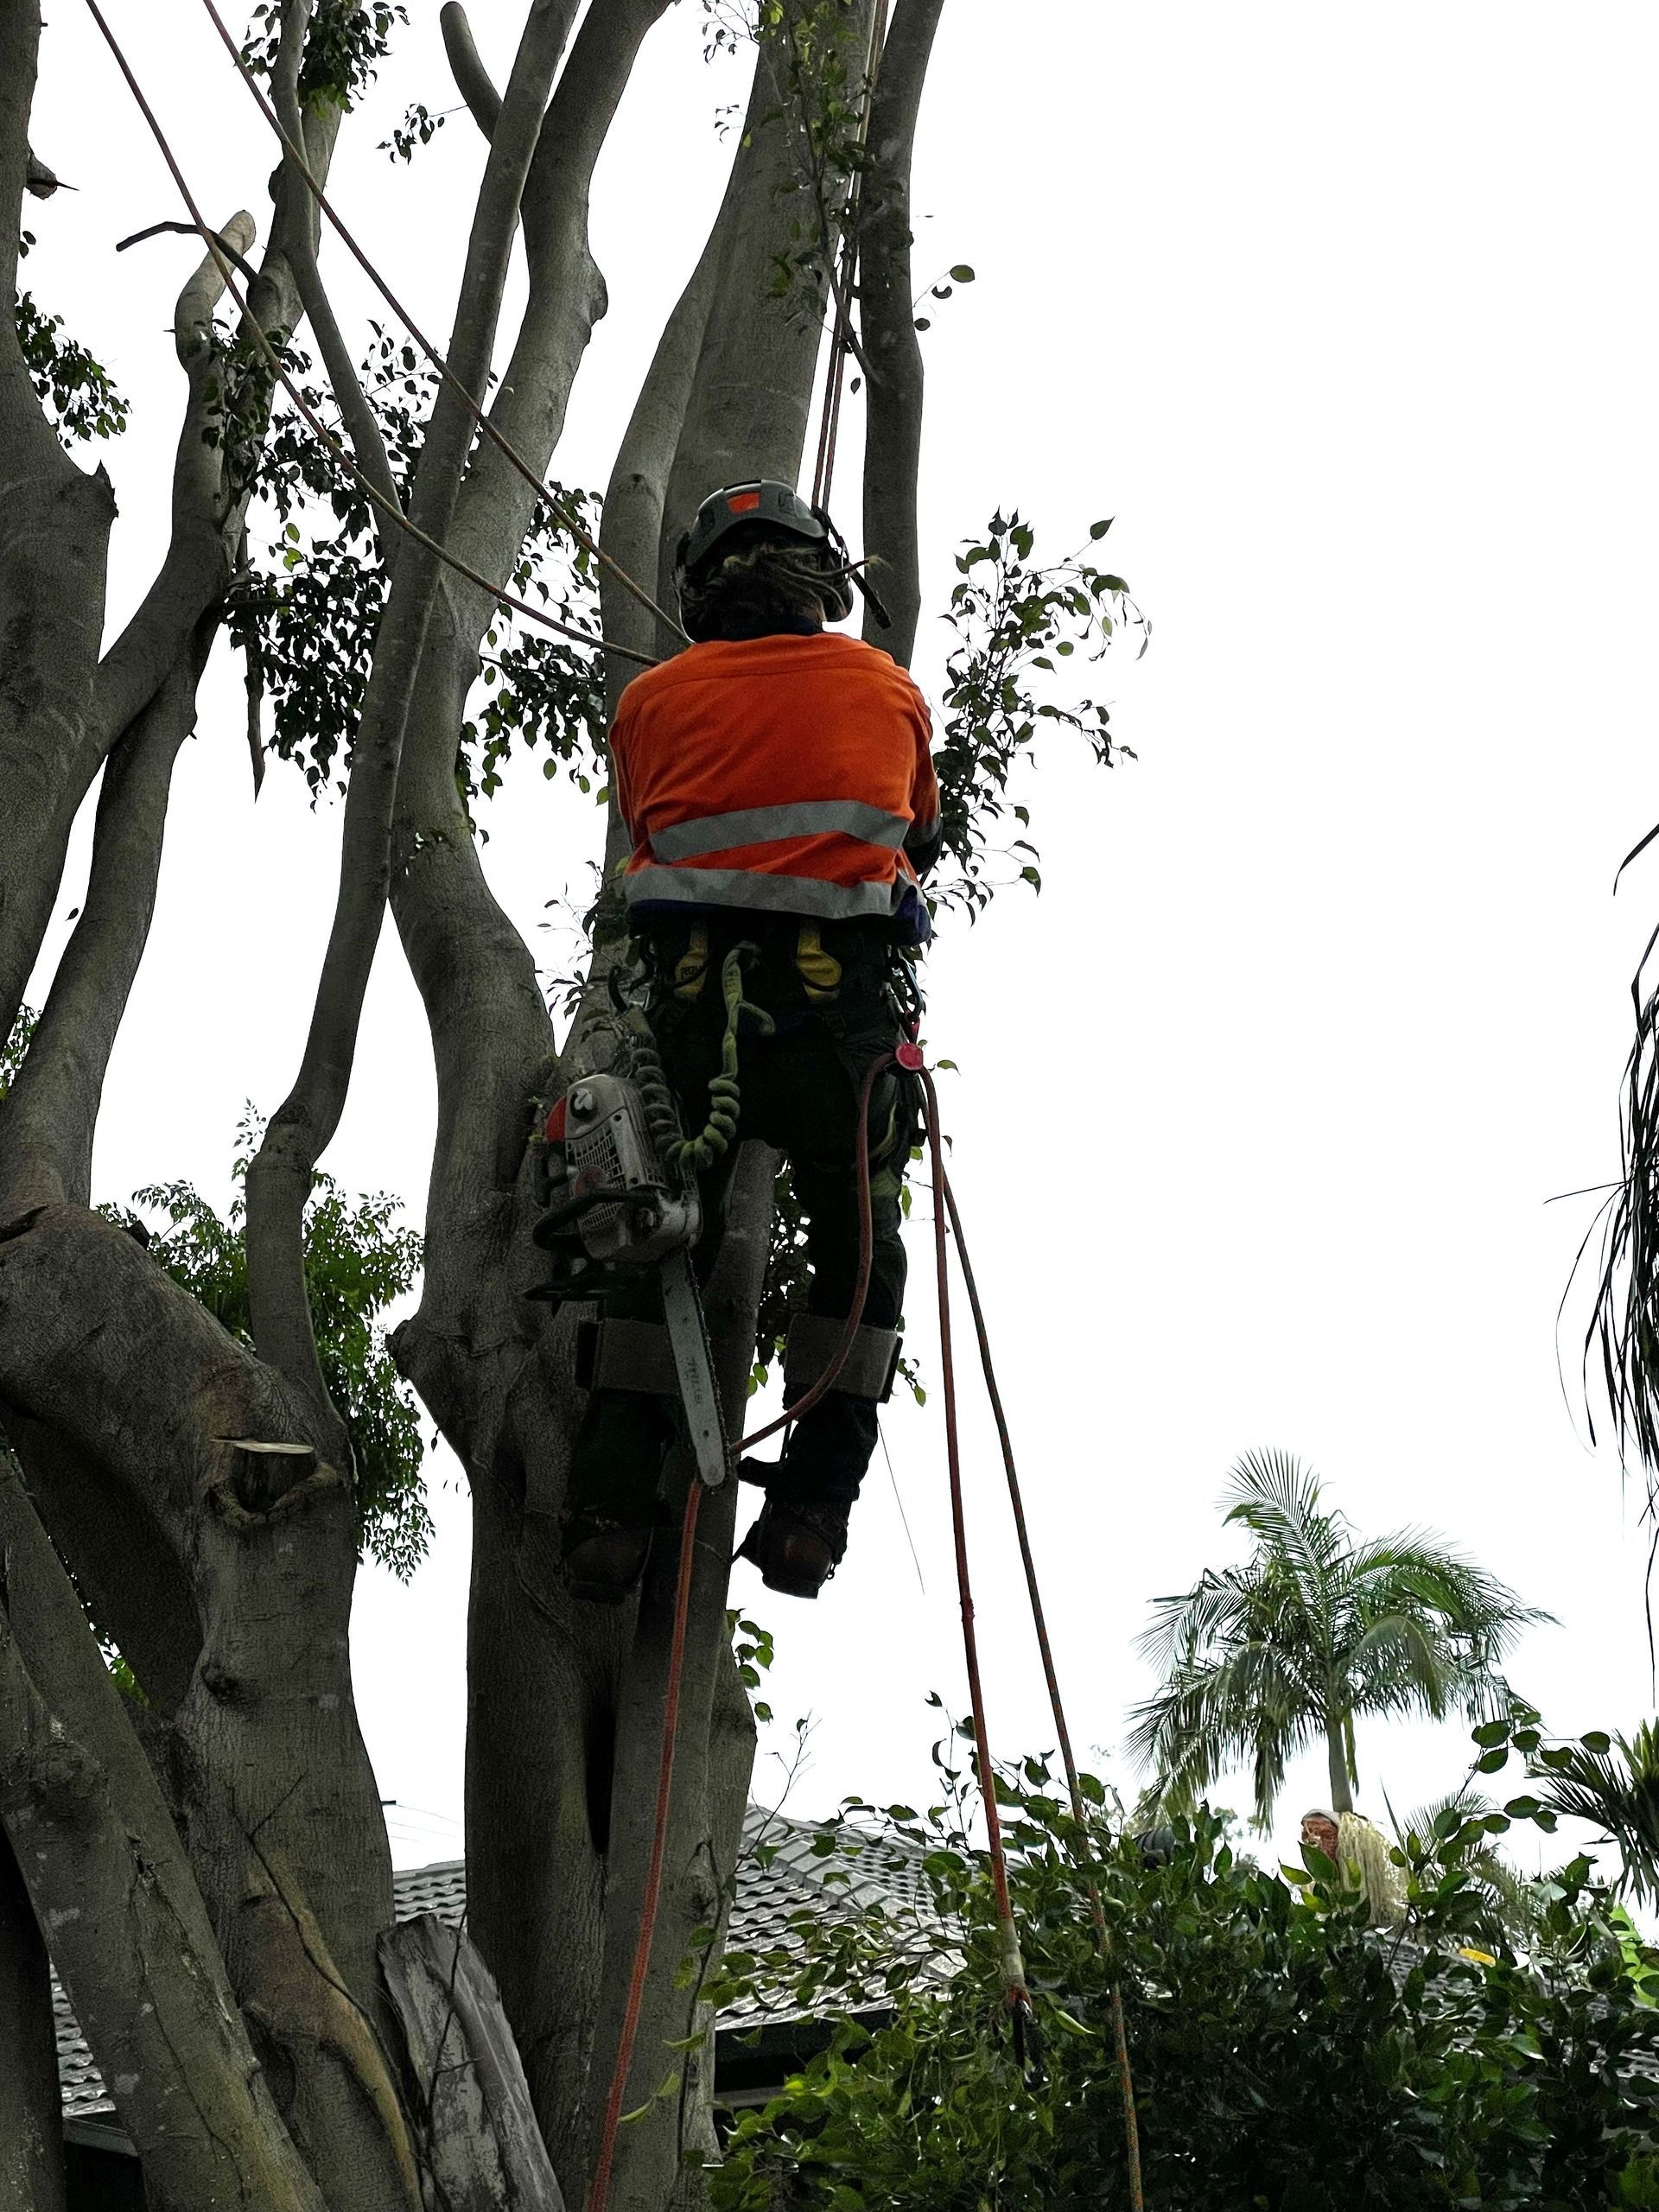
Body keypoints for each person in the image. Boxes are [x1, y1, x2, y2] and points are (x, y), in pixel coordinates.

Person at [558, 480, 941, 1606]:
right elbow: (920, 828)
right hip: (841, 1037)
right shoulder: (886, 689)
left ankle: (610, 1513)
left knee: (649, 1239)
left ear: (698, 586)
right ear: (820, 574)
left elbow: (651, 831)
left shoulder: (651, 704)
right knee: (862, 1255)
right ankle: (812, 1513)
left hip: (693, 1030)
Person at [1300, 1806, 1407, 1925]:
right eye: (1310, 1841)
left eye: (1327, 1836)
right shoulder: (1321, 1919)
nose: (1318, 1847)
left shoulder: (1395, 1919)